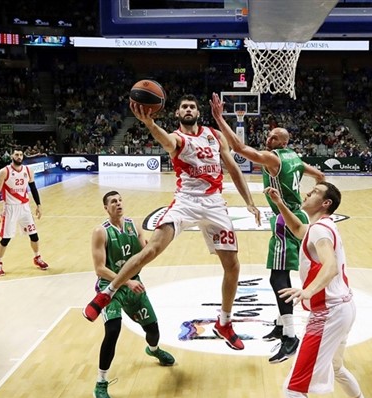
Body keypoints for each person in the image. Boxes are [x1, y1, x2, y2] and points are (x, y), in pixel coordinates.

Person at [83, 95, 260, 351]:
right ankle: (107, 293)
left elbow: (232, 168)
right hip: (186, 201)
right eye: (184, 107)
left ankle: (224, 323)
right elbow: (165, 139)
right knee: (151, 249)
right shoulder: (177, 138)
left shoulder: (214, 135)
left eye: (192, 106)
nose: (188, 110)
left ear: (198, 112)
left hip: (214, 203)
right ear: (177, 114)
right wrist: (150, 124)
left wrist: (249, 201)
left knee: (232, 265)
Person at [210, 93, 325, 363]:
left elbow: (238, 147)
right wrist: (309, 199)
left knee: (278, 278)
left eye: (273, 137)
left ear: (282, 142)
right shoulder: (295, 157)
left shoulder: (275, 158)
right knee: (278, 275)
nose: (268, 139)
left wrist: (219, 118)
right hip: (294, 216)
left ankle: (290, 335)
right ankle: (280, 322)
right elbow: (319, 175)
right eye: (269, 136)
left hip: (285, 221)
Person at [265, 183, 372, 398]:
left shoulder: (320, 230)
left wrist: (308, 290)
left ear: (325, 203)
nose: (307, 193)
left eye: (315, 192)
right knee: (337, 368)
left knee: (293, 390)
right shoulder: (321, 227)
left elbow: (329, 267)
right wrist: (280, 203)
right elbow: (297, 230)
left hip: (328, 313)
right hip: (343, 307)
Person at [91, 191, 175, 398]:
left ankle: (153, 350)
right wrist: (126, 281)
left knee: (154, 331)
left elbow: (145, 252)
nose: (118, 204)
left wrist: (154, 245)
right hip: (111, 288)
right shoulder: (101, 232)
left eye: (120, 200)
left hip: (134, 286)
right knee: (113, 330)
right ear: (106, 208)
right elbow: (99, 268)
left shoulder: (133, 226)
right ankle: (101, 383)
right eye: (113, 202)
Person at [0, 149, 49, 276]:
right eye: (16, 154)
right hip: (10, 208)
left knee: (34, 235)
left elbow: (33, 188)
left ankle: (37, 257)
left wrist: (39, 205)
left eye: (21, 154)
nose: (19, 157)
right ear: (12, 155)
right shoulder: (4, 171)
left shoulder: (28, 170)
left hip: (25, 207)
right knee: (6, 238)